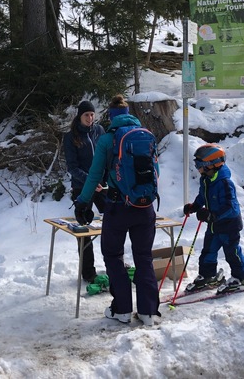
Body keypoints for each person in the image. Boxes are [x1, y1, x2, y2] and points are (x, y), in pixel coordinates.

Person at [75, 94, 160, 326]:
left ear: (111, 116)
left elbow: (94, 175)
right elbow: (156, 172)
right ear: (128, 113)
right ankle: (148, 312)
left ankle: (122, 310)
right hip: (145, 207)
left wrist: (83, 201)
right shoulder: (145, 136)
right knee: (144, 257)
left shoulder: (108, 139)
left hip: (118, 207)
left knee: (113, 255)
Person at [183, 143, 244, 293]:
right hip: (214, 225)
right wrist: (194, 207)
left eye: (199, 164)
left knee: (232, 252)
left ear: (211, 164)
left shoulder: (225, 183)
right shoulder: (205, 179)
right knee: (208, 251)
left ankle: (243, 277)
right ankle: (208, 276)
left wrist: (213, 215)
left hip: (229, 225)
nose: (197, 167)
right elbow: (203, 196)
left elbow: (232, 207)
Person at [63, 100, 106, 283]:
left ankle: (115, 263)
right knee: (84, 229)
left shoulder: (99, 131)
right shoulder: (71, 136)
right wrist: (90, 181)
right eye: (86, 115)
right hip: (82, 188)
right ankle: (88, 272)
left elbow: (105, 156)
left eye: (91, 114)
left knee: (113, 223)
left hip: (102, 186)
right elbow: (72, 167)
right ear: (79, 116)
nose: (90, 118)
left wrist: (103, 180)